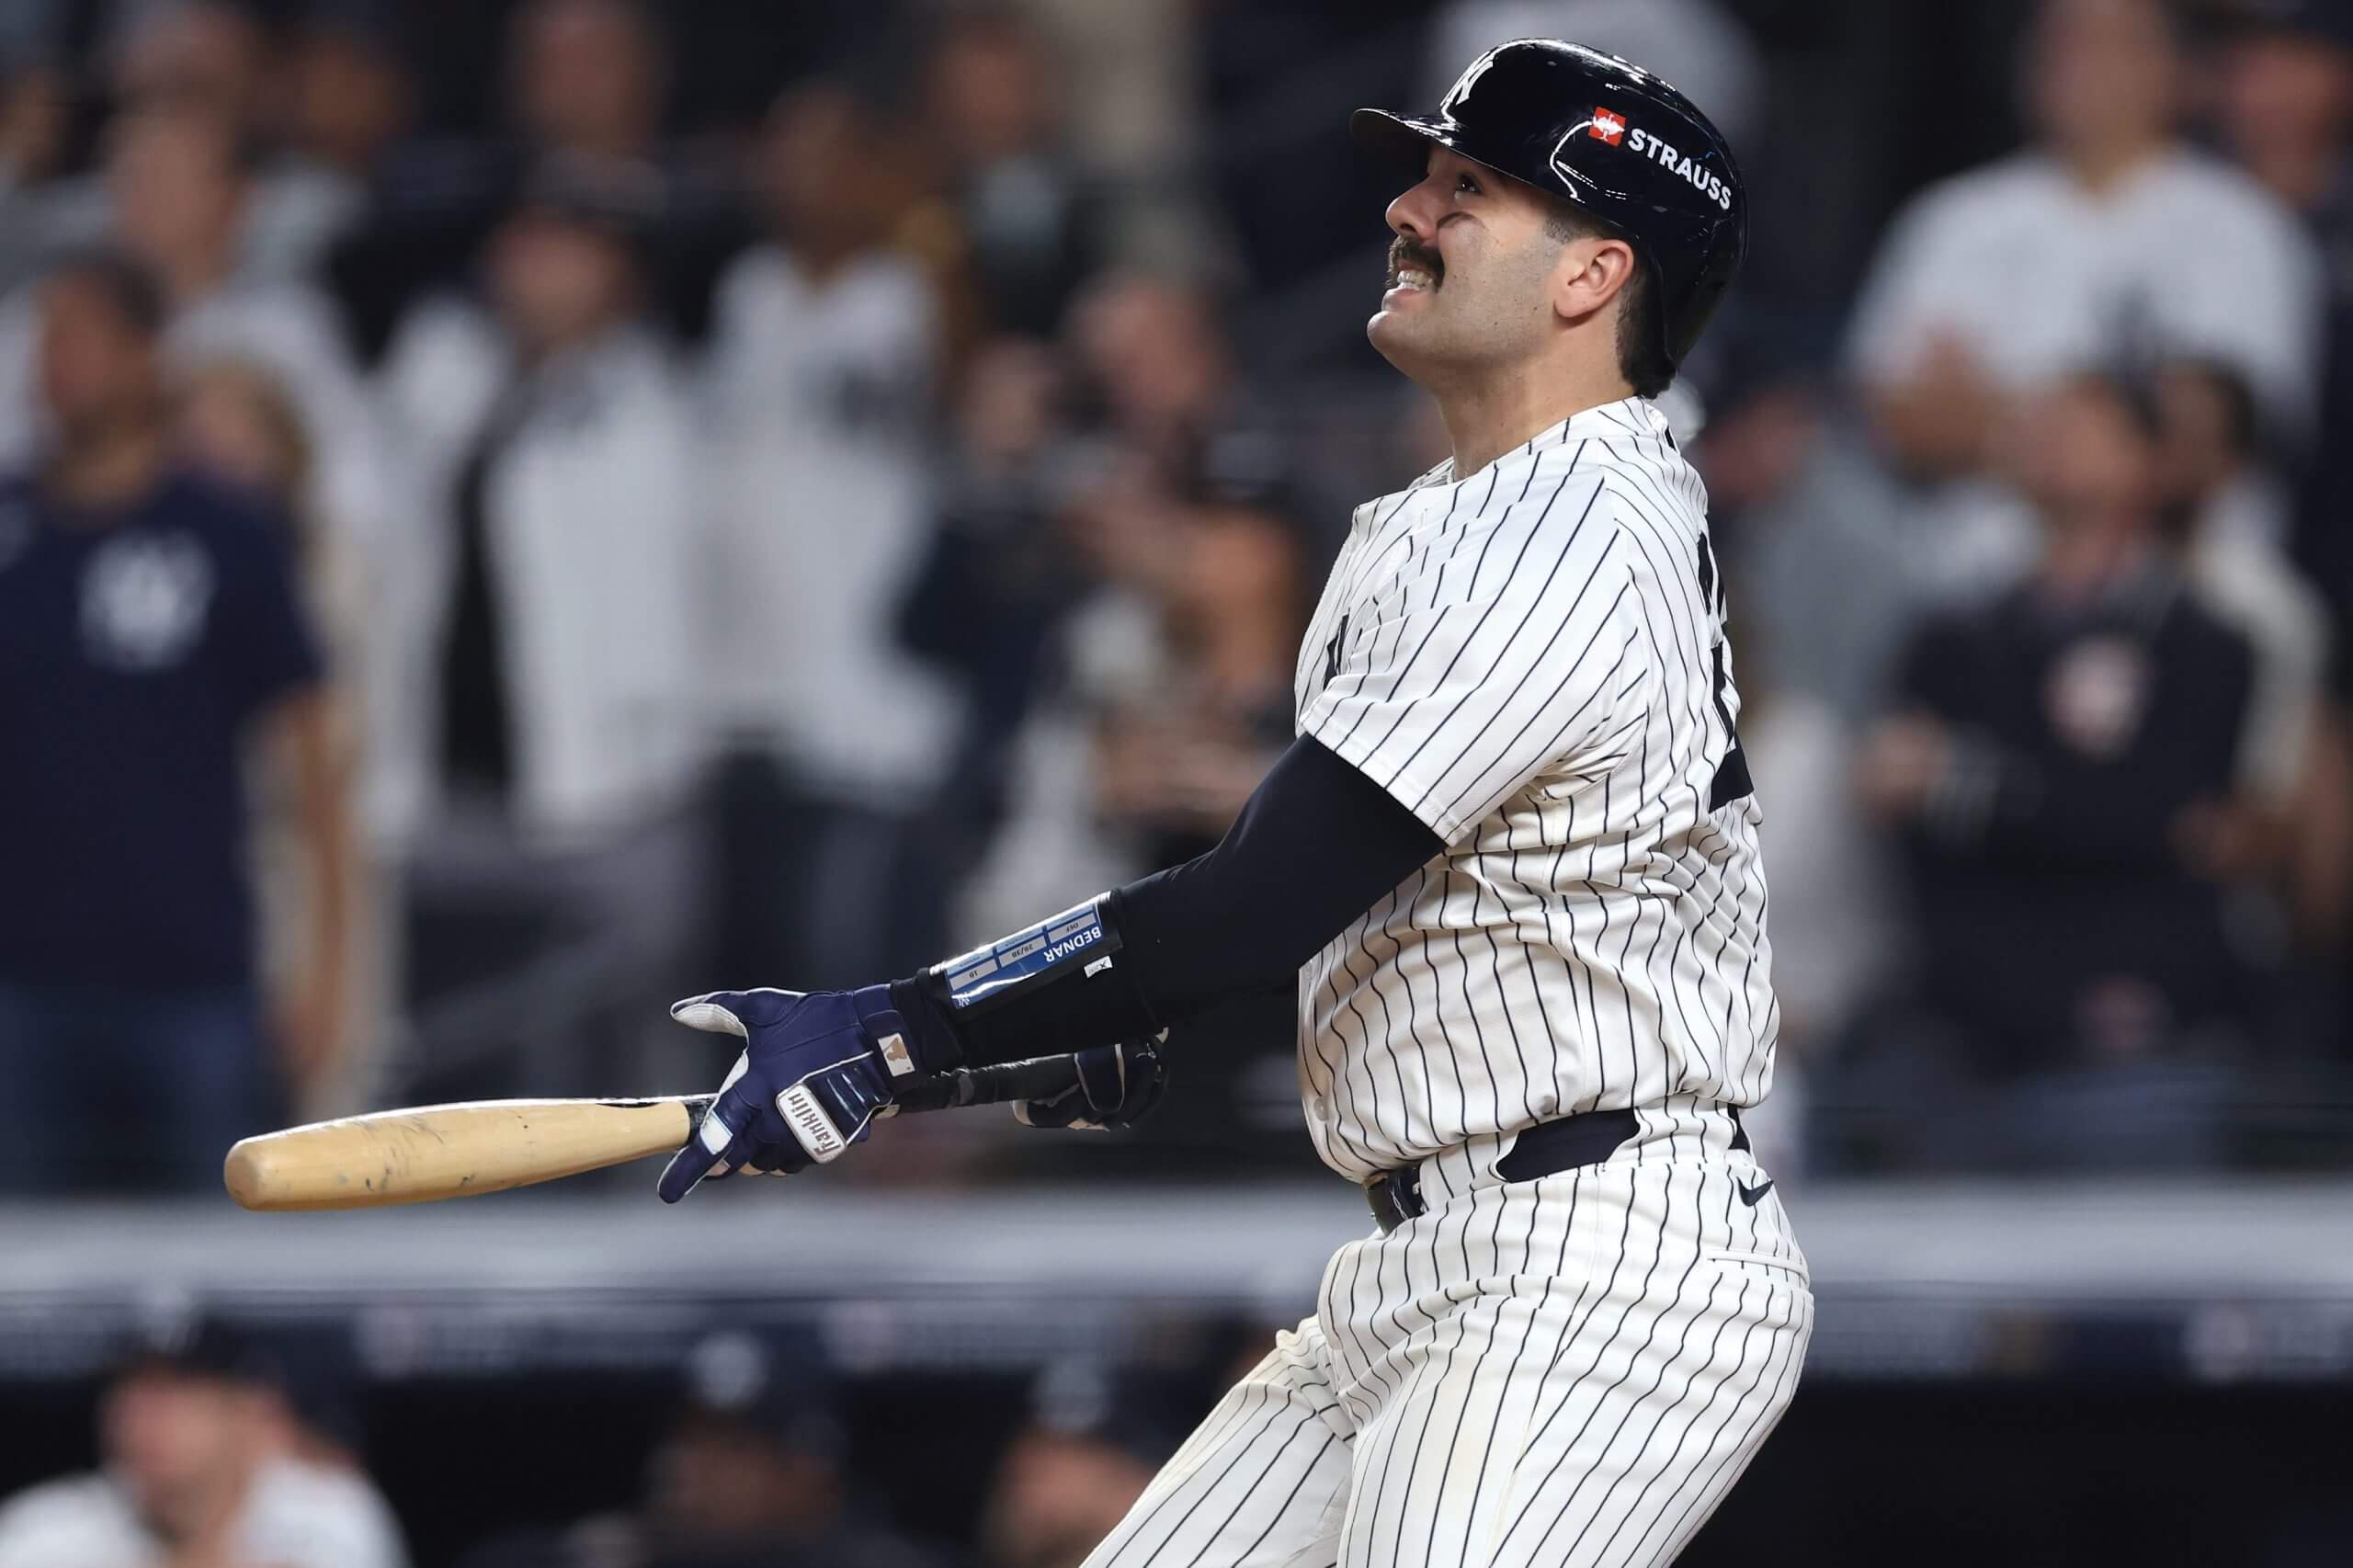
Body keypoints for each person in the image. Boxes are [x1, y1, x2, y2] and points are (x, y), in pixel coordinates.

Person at [658, 40, 1809, 1568]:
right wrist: (1079, 1028)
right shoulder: (1468, 518)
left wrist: (891, 1031)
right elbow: (1443, 915)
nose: (1409, 205)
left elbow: (1260, 898)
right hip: (1442, 1251)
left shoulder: (1569, 529)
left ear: (1597, 275)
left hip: (1594, 1261)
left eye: (1468, 191)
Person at [0, 250, 351, 1192]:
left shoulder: (225, 530)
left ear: (146, 354)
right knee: (25, 1293)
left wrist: (324, 971)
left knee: (213, 1274)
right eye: (45, 340)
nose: (54, 365)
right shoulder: (11, 522)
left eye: (80, 338)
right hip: (22, 979)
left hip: (192, 976)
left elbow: (313, 756)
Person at [1853, 370, 2262, 1171]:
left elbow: (2164, 819)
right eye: (2041, 418)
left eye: (2086, 421)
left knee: (2135, 1280)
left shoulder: (2205, 643)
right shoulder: (1955, 639)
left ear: (2151, 461)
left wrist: (1962, 785)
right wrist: (2052, 799)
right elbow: (1893, 803)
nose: (2052, 438)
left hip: (2142, 1035)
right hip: (1969, 1039)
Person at [374, 153, 706, 1104]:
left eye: (565, 247)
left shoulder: (657, 396)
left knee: (629, 1085)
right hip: (453, 793)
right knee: (449, 1067)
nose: (534, 264)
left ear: (617, 270)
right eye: (522, 242)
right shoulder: (439, 373)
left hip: (614, 795)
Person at [1845, 0, 2324, 595]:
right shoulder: (1952, 220)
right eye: (2058, 40)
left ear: (2176, 69)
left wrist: (1988, 417)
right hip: (1975, 605)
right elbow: (1897, 421)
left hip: (2189, 609)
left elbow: (2215, 435)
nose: (2077, 62)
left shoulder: (2246, 228)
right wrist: (2115, 425)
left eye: (2110, 41)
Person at [700, 74, 961, 987]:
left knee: (855, 1021)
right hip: (746, 707)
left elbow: (966, 392)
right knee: (743, 1015)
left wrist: (919, 217)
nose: (797, 175)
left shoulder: (915, 291)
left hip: (870, 716)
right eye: (785, 153)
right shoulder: (748, 291)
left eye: (824, 155)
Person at [0, 1314, 407, 1568]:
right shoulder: (45, 1530)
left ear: (248, 1413)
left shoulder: (326, 1513)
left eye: (175, 1395)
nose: (142, 1420)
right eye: (130, 1392)